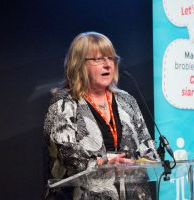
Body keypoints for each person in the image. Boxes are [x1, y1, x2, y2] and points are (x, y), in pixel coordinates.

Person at [43, 31, 159, 200]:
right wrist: (104, 162)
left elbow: (148, 149)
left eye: (111, 58)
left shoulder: (127, 101)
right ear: (79, 64)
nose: (108, 64)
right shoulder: (64, 102)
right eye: (98, 59)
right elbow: (68, 155)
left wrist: (135, 162)